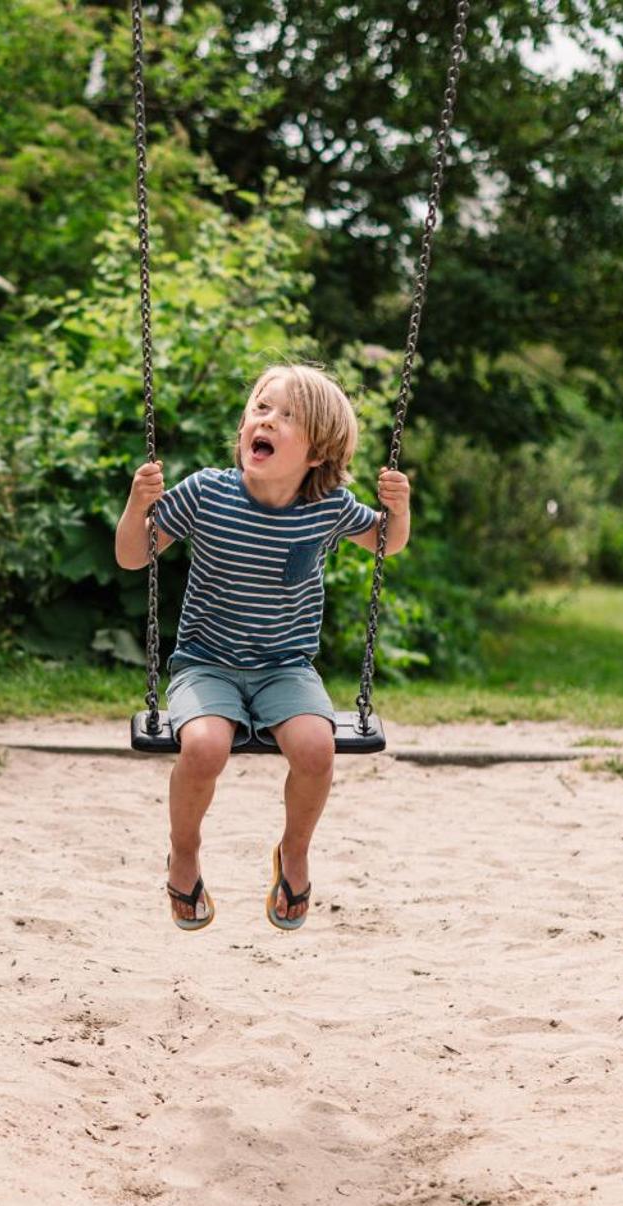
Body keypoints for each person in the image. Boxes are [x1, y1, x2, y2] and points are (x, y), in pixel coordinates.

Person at [114, 364, 411, 932]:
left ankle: (293, 852)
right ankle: (185, 852)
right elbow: (134, 554)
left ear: (319, 452)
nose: (266, 419)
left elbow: (385, 544)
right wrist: (137, 503)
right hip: (206, 664)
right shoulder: (206, 493)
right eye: (260, 407)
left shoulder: (329, 507)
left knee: (317, 750)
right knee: (203, 748)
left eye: (287, 415)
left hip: (285, 667)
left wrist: (399, 509)